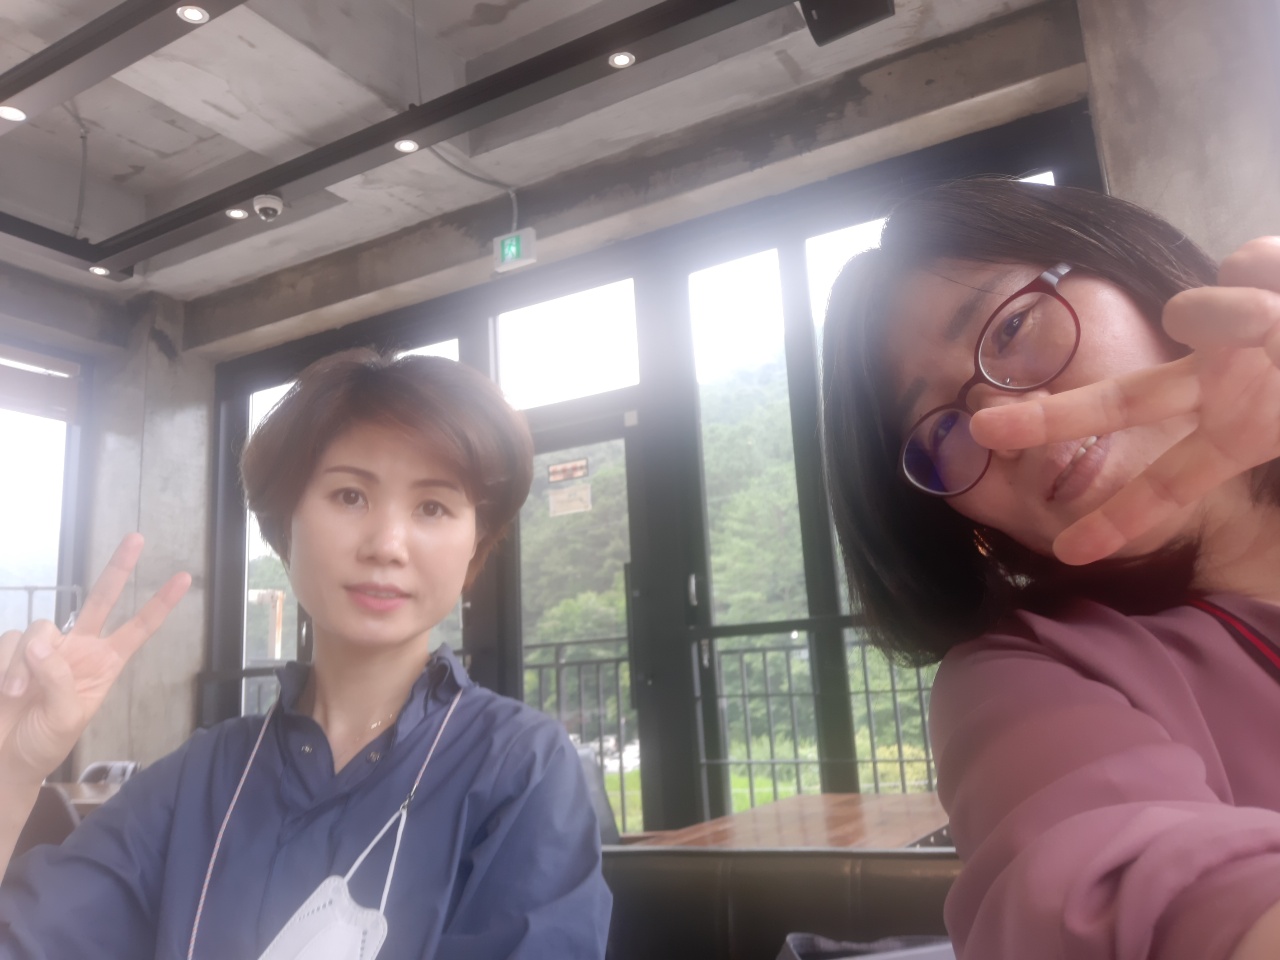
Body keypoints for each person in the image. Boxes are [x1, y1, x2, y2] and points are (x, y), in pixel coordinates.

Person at [0, 349, 613, 959]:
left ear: (475, 543)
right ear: (284, 525)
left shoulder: (519, 768)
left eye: (432, 507)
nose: (387, 545)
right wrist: (12, 768)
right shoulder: (204, 777)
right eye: (349, 496)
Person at [820, 177, 1280, 960]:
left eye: (1011, 328)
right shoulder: (1035, 674)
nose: (1002, 425)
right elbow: (1119, 893)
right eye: (941, 432)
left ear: (1123, 262)